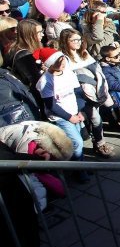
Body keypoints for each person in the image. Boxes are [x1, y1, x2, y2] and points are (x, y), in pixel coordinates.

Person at [33, 47, 89, 182]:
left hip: (75, 112)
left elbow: (78, 93)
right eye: (57, 61)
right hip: (61, 117)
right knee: (77, 143)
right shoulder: (45, 81)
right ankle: (79, 171)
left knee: (76, 142)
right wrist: (70, 117)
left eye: (62, 59)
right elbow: (51, 105)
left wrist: (80, 111)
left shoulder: (69, 73)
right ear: (49, 64)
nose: (62, 62)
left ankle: (82, 167)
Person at [58, 28, 115, 159]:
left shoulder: (84, 53)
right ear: (65, 41)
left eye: (79, 39)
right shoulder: (63, 57)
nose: (78, 42)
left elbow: (96, 69)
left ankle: (98, 142)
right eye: (74, 40)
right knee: (95, 118)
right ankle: (99, 144)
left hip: (95, 91)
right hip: (80, 95)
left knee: (96, 118)